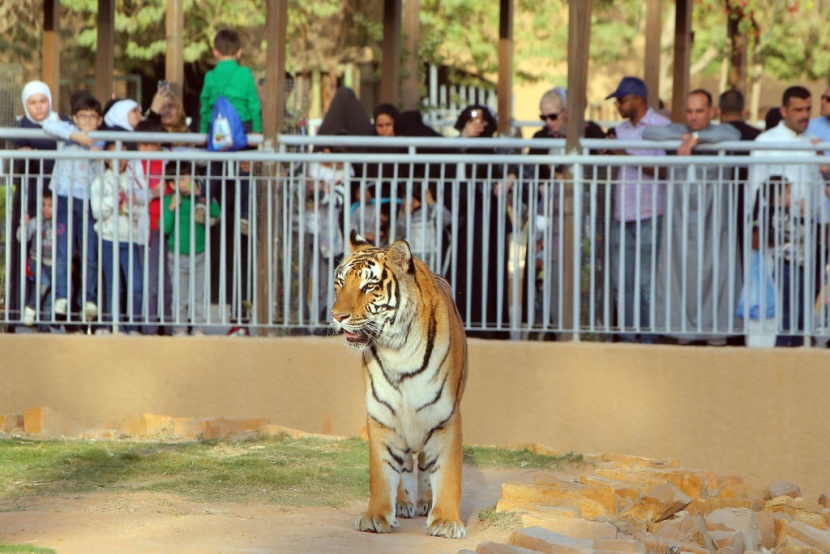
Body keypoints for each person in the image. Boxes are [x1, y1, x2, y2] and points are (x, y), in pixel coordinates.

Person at [643, 88, 741, 345]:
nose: (694, 116)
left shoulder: (718, 132)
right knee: (681, 273)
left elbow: (733, 133)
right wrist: (684, 138)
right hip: (681, 223)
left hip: (714, 223)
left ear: (712, 111)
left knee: (715, 274)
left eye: (699, 111)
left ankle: (715, 333)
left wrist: (695, 139)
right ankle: (682, 331)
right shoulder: (678, 131)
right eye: (689, 111)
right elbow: (649, 132)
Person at [748, 85, 830, 347]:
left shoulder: (811, 141)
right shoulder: (767, 141)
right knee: (785, 300)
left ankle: (797, 353)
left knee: (804, 301)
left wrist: (823, 225)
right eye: (798, 110)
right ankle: (782, 355)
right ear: (784, 110)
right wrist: (756, 228)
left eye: (808, 109)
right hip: (779, 233)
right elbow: (755, 189)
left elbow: (817, 191)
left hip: (810, 234)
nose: (804, 115)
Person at [604, 76, 671, 343]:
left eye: (622, 100)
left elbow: (665, 170)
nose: (618, 105)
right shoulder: (619, 130)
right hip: (622, 215)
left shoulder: (661, 127)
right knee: (622, 283)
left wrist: (624, 156)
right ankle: (628, 338)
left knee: (646, 283)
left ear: (639, 100)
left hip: (650, 214)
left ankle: (649, 340)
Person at [10, 81, 68, 328]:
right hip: (30, 197)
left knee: (60, 256)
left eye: (42, 101)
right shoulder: (21, 126)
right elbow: (21, 159)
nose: (39, 107)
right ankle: (22, 313)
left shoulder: (62, 121)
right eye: (33, 103)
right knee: (28, 256)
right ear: (26, 105)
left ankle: (56, 316)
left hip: (58, 196)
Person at [40, 95, 104, 322]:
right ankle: (61, 297)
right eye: (83, 116)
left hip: (87, 200)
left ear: (100, 120)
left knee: (89, 252)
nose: (87, 121)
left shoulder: (101, 138)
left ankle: (88, 299)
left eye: (92, 117)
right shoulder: (66, 130)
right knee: (63, 251)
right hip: (63, 197)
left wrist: (98, 153)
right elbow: (47, 123)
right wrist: (74, 135)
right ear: (75, 118)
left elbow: (103, 163)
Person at [452, 104, 510, 339]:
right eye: (472, 121)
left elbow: (517, 165)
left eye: (482, 122)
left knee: (493, 272)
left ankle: (494, 328)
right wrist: (464, 139)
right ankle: (465, 325)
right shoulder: (455, 147)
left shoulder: (497, 147)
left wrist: (511, 178)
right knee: (465, 271)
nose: (478, 125)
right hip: (466, 221)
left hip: (493, 220)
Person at [199, 28, 262, 234]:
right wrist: (258, 131)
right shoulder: (245, 74)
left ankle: (205, 201)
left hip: (217, 129)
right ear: (239, 52)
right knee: (244, 169)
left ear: (215, 52)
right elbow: (253, 105)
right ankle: (244, 214)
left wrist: (204, 133)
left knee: (215, 166)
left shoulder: (210, 76)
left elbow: (205, 107)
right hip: (241, 130)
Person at [90, 142, 148, 333]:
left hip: (130, 240)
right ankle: (115, 326)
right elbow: (97, 212)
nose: (119, 161)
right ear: (106, 158)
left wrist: (128, 204)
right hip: (108, 239)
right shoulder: (99, 181)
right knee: (114, 287)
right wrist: (114, 199)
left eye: (123, 156)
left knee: (137, 286)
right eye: (114, 155)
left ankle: (133, 326)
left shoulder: (133, 180)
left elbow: (140, 209)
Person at [161, 162, 220, 336]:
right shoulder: (170, 201)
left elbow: (216, 213)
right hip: (177, 256)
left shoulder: (201, 197)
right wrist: (172, 208)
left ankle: (198, 328)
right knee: (180, 297)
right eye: (182, 178)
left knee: (199, 296)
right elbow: (163, 227)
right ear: (172, 184)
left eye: (189, 177)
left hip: (199, 254)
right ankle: (179, 328)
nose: (187, 181)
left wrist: (201, 195)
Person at [135, 118, 174, 335]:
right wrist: (153, 192)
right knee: (150, 282)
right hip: (148, 229)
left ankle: (169, 326)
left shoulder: (170, 160)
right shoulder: (134, 164)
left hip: (169, 227)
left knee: (168, 282)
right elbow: (132, 196)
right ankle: (149, 327)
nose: (146, 149)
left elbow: (176, 185)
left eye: (150, 144)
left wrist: (162, 191)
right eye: (141, 145)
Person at [17, 196, 55, 329]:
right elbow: (22, 238)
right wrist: (24, 225)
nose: (46, 208)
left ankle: (44, 329)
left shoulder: (60, 222)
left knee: (50, 296)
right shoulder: (35, 221)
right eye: (43, 205)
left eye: (50, 205)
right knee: (44, 283)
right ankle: (31, 307)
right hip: (36, 260)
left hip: (54, 264)